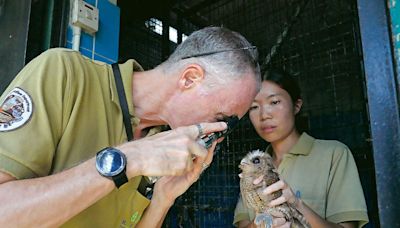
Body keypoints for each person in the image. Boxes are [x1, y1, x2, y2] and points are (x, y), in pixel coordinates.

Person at [0, 26, 261, 227]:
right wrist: (125, 160)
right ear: (190, 78)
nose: (219, 131)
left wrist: (163, 198)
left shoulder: (164, 143)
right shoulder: (65, 74)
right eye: (221, 117)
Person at [233, 69, 369, 228]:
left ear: (296, 106)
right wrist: (262, 223)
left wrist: (297, 205)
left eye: (274, 102)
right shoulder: (252, 167)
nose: (264, 115)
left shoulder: (333, 154)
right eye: (254, 107)